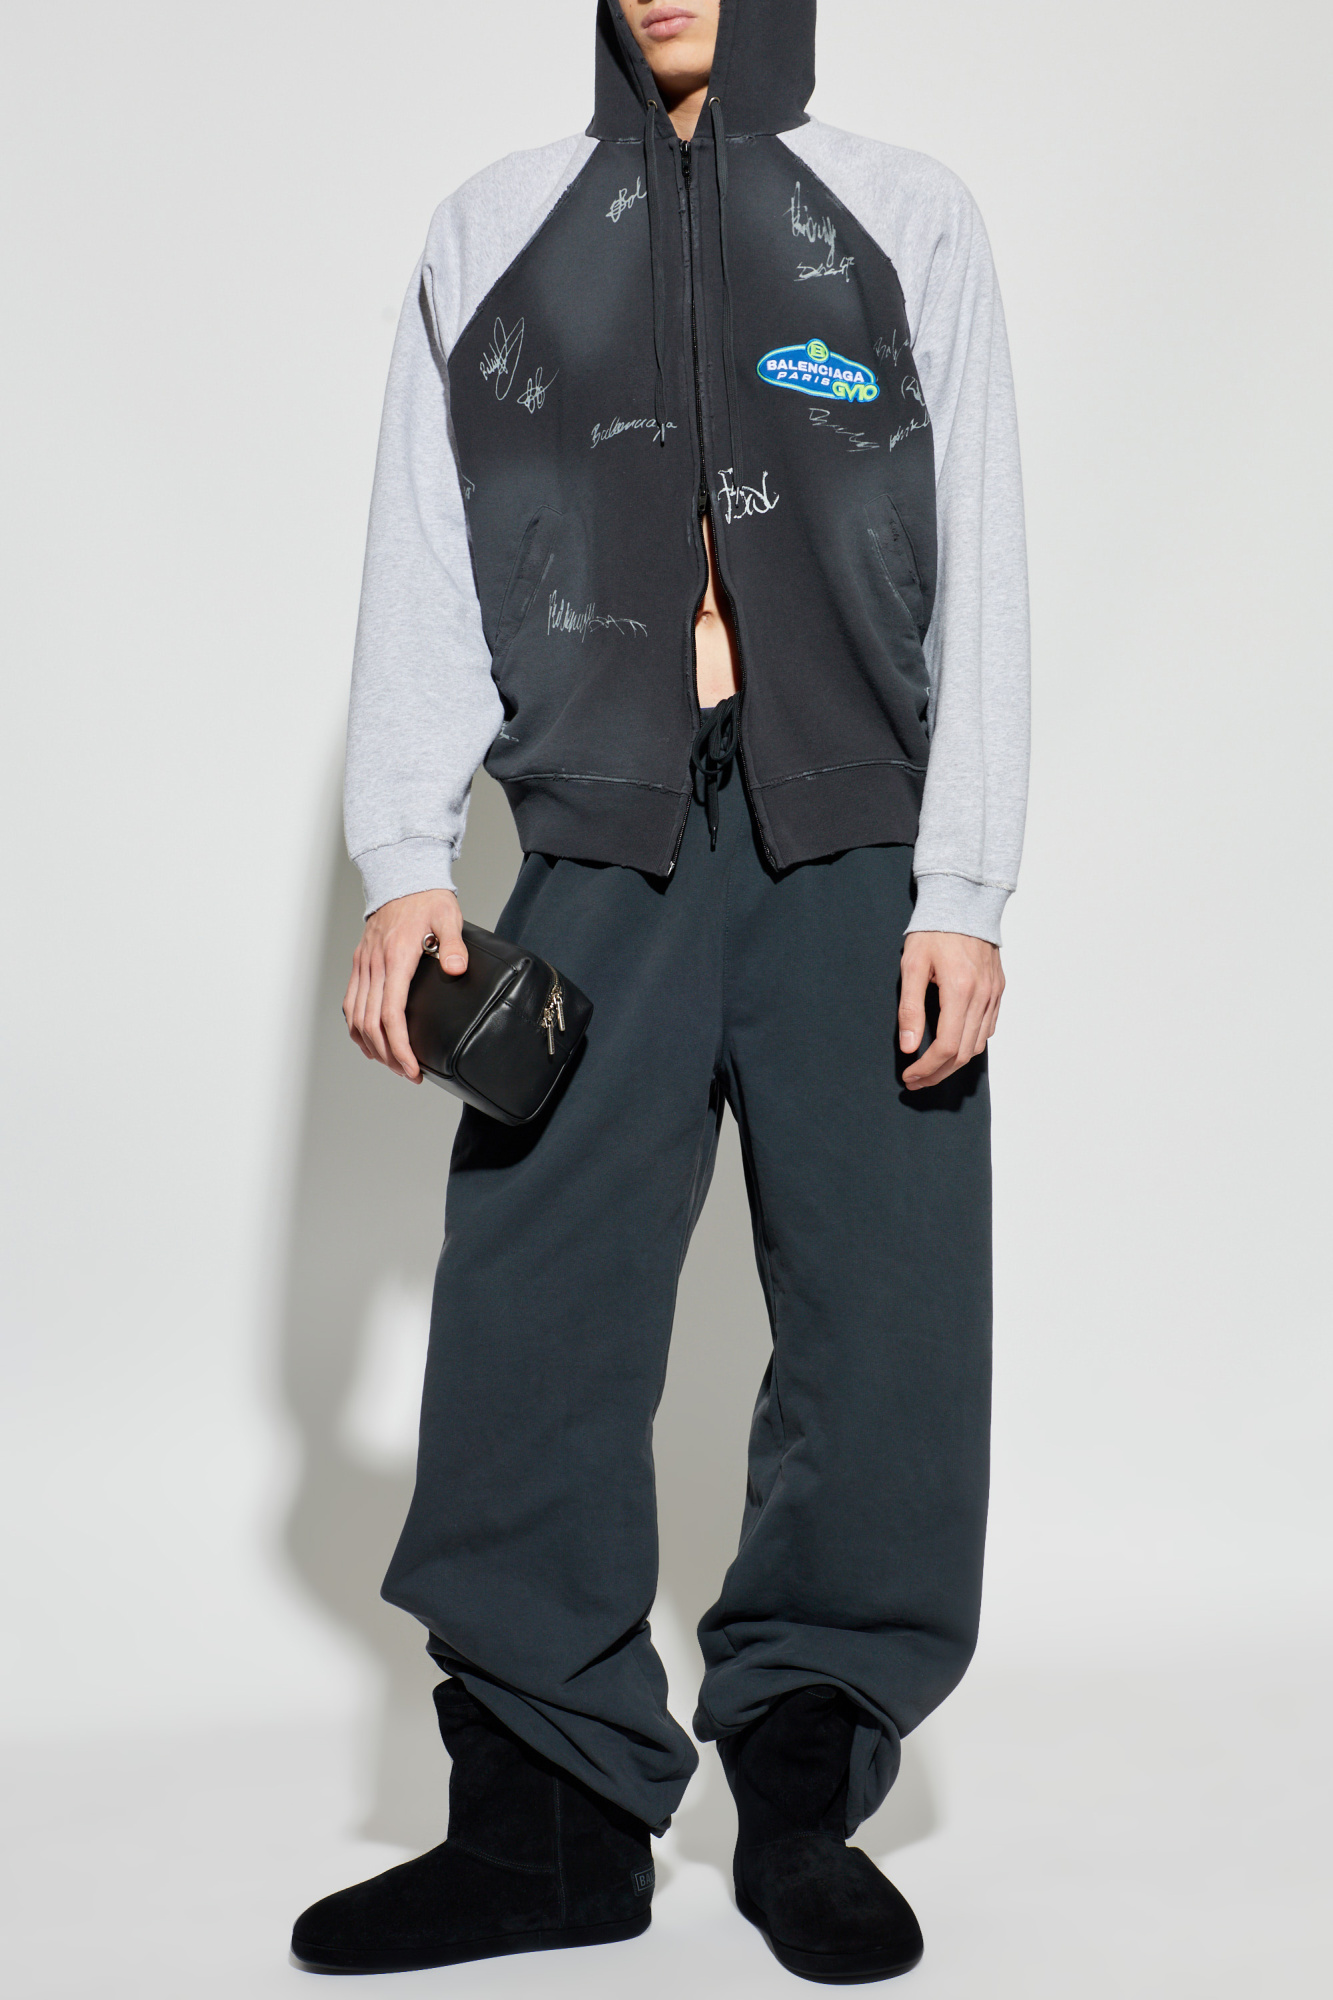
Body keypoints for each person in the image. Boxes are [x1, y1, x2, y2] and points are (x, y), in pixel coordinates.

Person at [292, 0, 1029, 1982]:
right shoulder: (492, 224)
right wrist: (405, 860)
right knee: (530, 1306)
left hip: (854, 854)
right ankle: (543, 1828)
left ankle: (800, 1793)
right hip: (597, 841)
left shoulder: (904, 214)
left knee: (884, 1326)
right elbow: (424, 548)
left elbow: (983, 551)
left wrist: (962, 884)